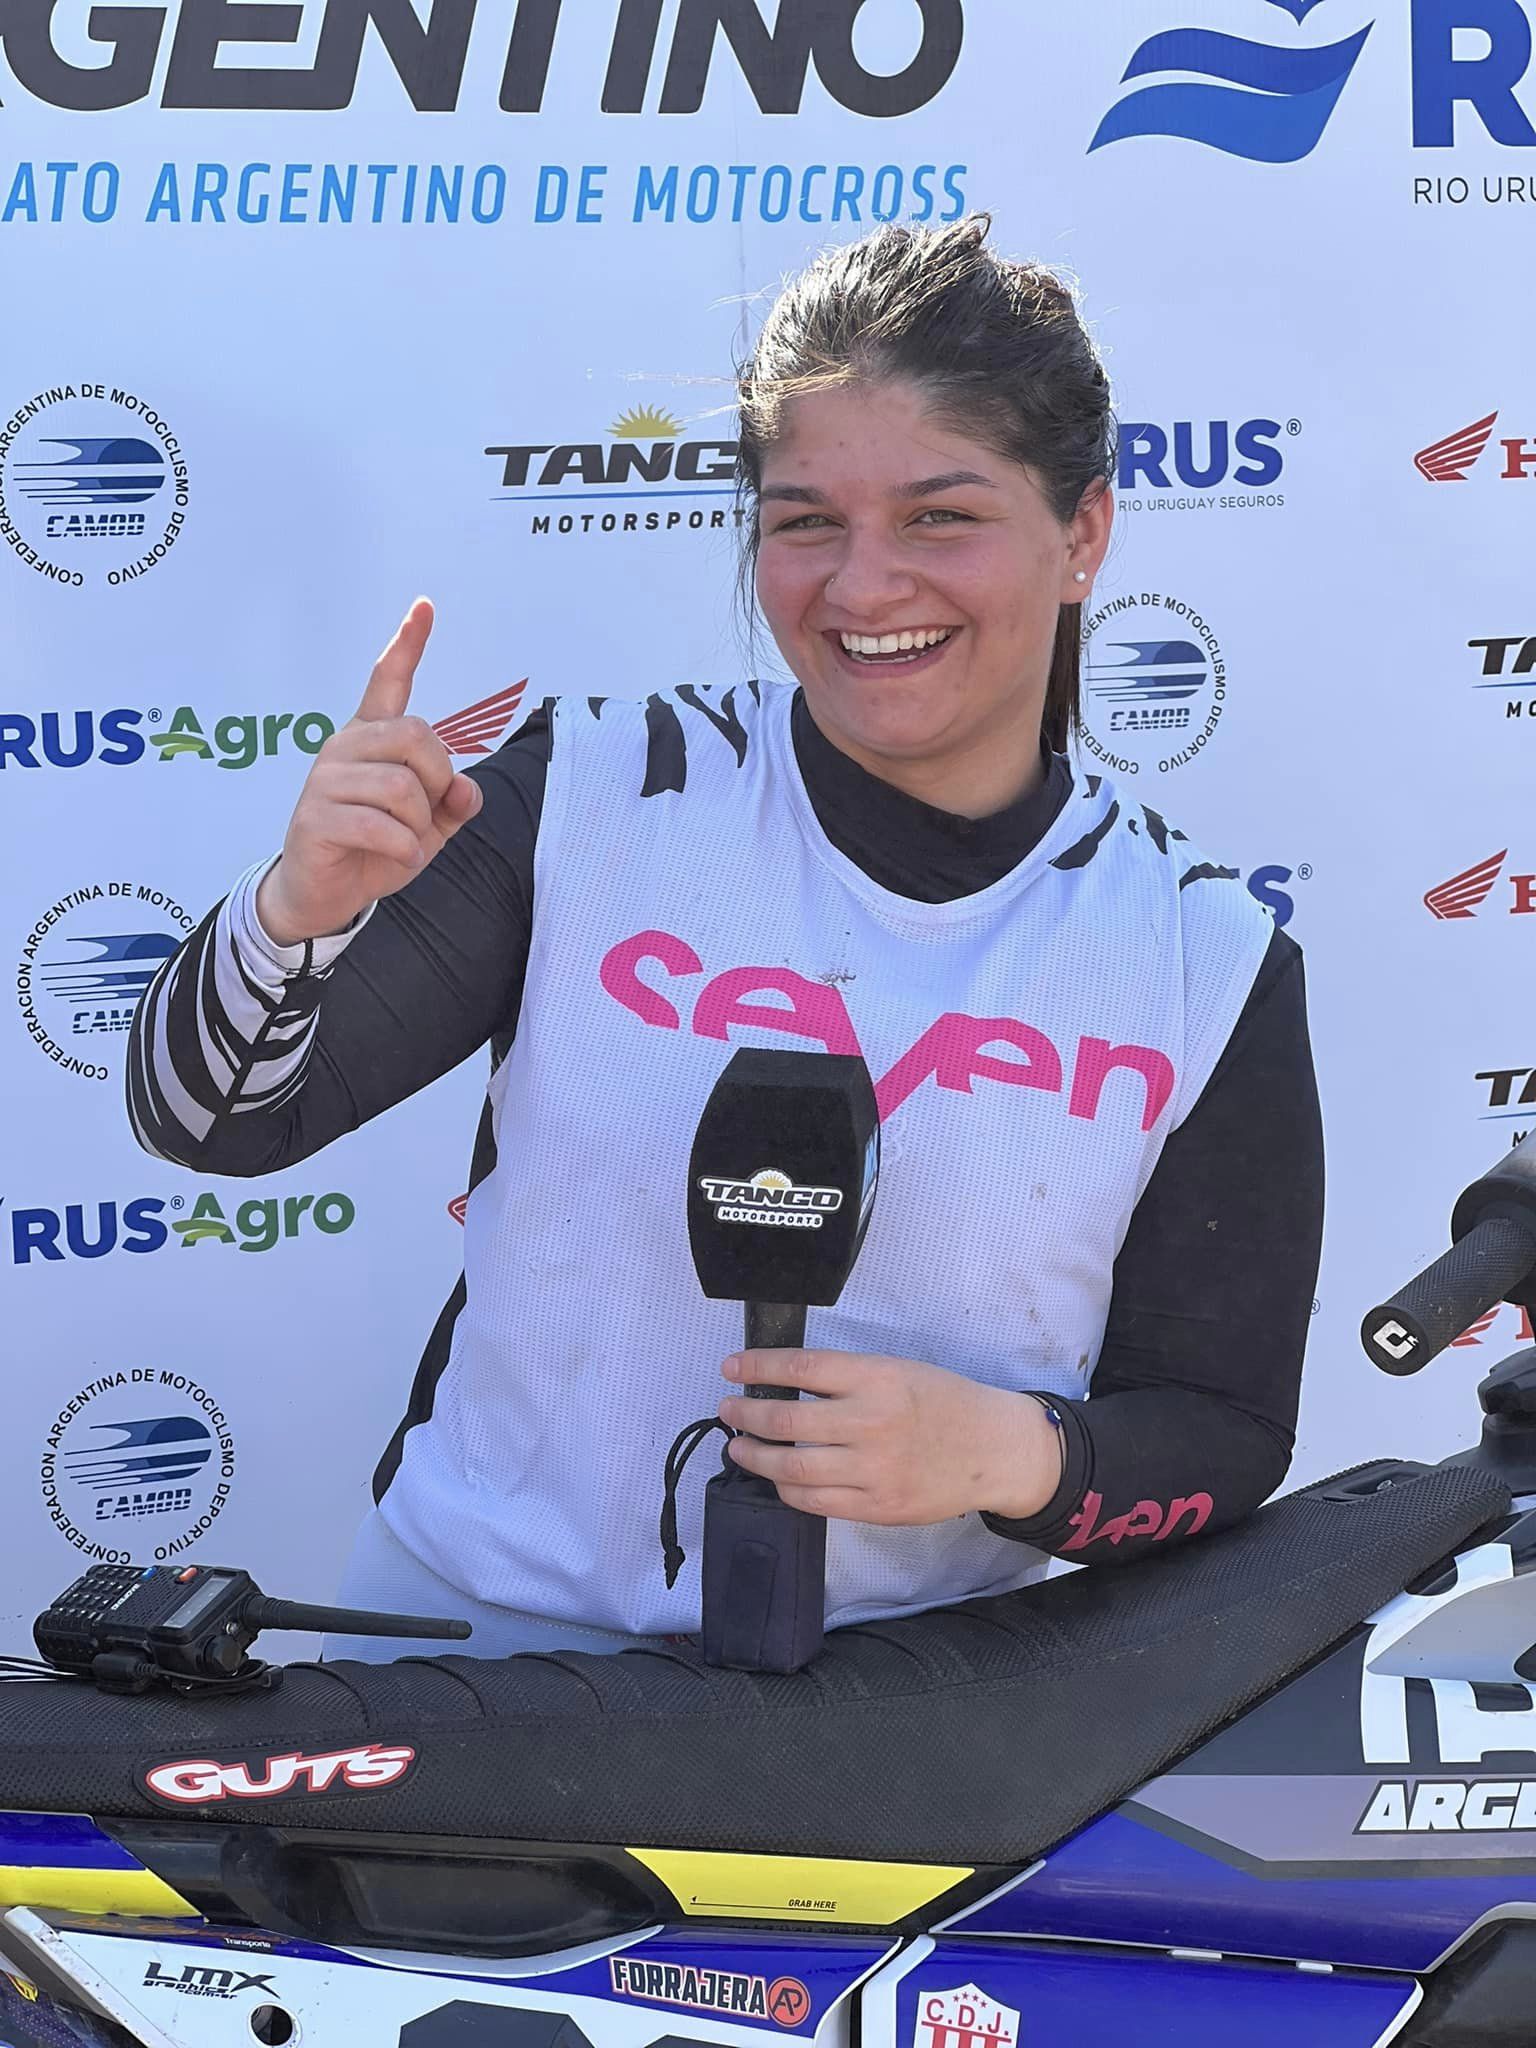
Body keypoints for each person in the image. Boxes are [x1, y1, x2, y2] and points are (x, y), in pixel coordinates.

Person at [127, 215, 1323, 1663]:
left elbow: (1223, 1426)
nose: (863, 586)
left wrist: (1020, 1461)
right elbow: (215, 1129)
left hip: (912, 1702)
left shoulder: (1203, 952)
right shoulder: (597, 789)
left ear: (1082, 532)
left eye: (940, 516)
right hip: (466, 1657)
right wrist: (291, 922)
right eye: (806, 518)